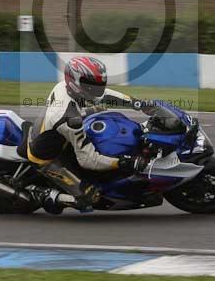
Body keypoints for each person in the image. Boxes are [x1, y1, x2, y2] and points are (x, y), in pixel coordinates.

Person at [25, 55, 157, 214]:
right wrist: (124, 162)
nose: (98, 89)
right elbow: (88, 160)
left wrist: (138, 104)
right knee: (90, 197)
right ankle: (47, 195)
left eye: (99, 84)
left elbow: (105, 95)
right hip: (47, 157)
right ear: (75, 82)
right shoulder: (70, 118)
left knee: (99, 110)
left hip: (57, 135)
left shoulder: (64, 87)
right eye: (92, 85)